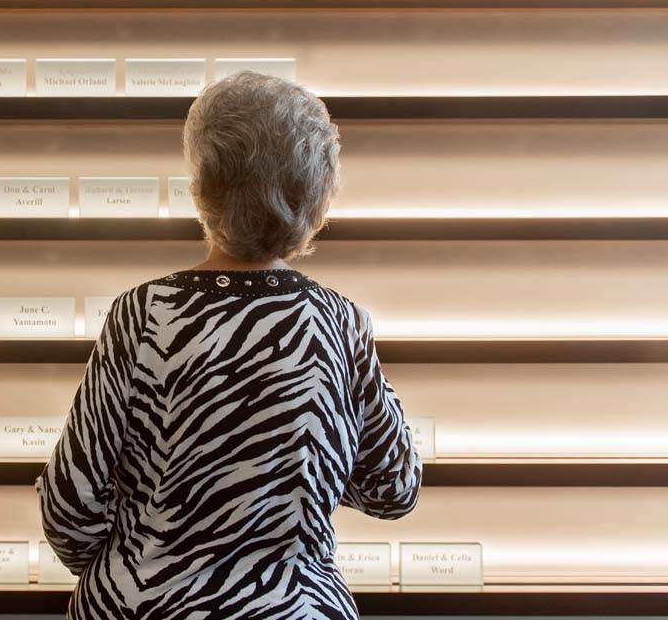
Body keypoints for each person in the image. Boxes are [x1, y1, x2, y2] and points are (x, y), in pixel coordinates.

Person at [38, 71, 421, 620]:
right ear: (316, 194)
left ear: (203, 184)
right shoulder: (341, 324)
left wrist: (133, 569)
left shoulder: (143, 315)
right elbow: (394, 489)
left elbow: (68, 506)